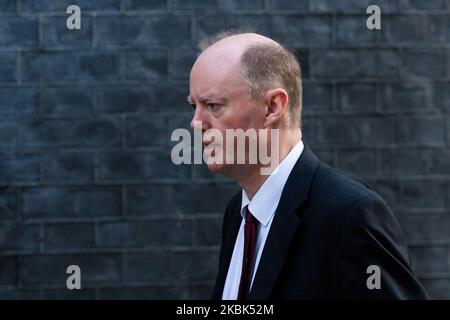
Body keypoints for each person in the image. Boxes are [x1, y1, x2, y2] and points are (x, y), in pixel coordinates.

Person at [187, 31, 429, 300]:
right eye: (194, 106)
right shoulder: (238, 213)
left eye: (213, 105)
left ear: (272, 107)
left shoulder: (350, 215)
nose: (196, 123)